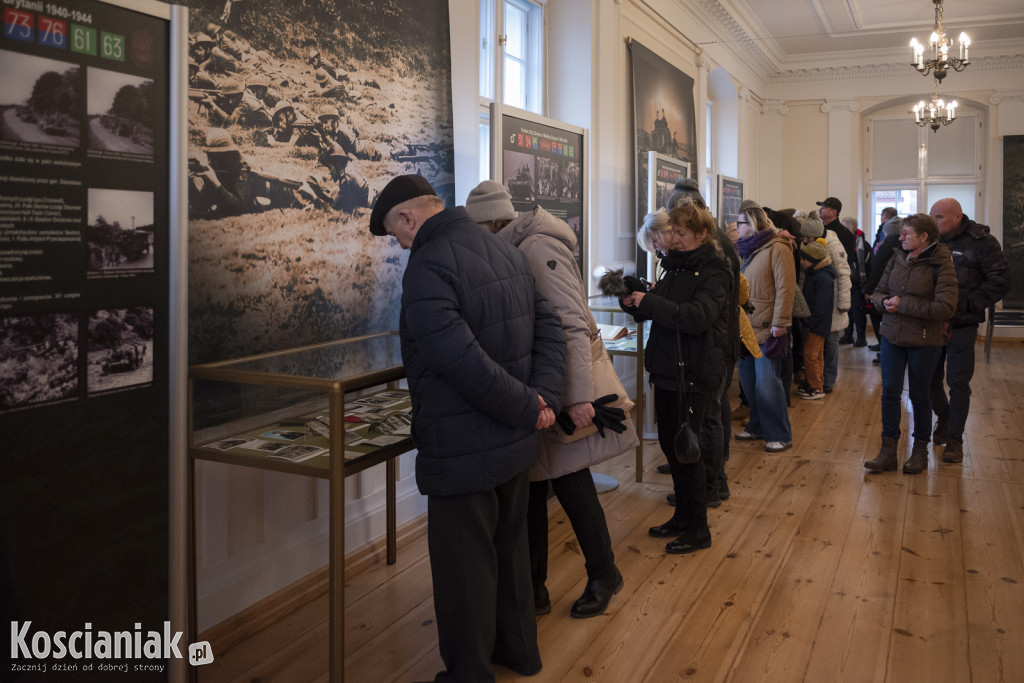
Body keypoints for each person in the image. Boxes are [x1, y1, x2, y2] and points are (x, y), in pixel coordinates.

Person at [370, 174, 566, 681]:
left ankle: (469, 674)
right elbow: (550, 327)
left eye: (396, 231)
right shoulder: (501, 248)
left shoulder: (428, 264)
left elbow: (457, 360)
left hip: (463, 445)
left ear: (409, 216)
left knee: (463, 571)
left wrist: (530, 404)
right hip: (514, 442)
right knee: (510, 552)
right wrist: (543, 399)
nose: (399, 242)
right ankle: (520, 652)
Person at [464, 180, 638, 619]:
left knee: (571, 484)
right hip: (538, 390)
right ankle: (533, 587)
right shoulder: (518, 245)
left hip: (560, 391)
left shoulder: (537, 247)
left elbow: (570, 324)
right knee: (535, 488)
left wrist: (578, 397)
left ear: (488, 223)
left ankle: (604, 573)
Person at [623, 201, 730, 553]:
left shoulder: (714, 271)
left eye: (681, 233)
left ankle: (698, 527)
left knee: (687, 449)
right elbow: (664, 308)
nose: (674, 238)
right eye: (674, 232)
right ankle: (683, 516)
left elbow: (697, 317)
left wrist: (651, 303)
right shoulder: (677, 267)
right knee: (671, 446)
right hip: (670, 368)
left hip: (694, 372)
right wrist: (636, 301)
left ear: (701, 234)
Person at [665, 178, 739, 506]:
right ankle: (707, 479)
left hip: (714, 344)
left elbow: (705, 309)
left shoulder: (714, 250)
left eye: (678, 229)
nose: (673, 236)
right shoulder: (712, 243)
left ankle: (713, 482)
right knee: (710, 413)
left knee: (709, 415)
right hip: (715, 341)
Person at [865, 213, 957, 474]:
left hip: (925, 340)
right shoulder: (896, 257)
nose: (900, 237)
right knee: (890, 393)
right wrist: (884, 302)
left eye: (906, 233)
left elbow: (946, 307)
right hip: (892, 337)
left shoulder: (942, 262)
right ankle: (888, 452)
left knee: (920, 395)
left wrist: (902, 304)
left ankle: (919, 452)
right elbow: (878, 291)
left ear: (924, 237)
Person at [928, 198, 1011, 463]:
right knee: (928, 379)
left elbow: (1000, 281)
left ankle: (955, 440)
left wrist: (965, 305)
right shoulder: (930, 240)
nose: (934, 221)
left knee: (958, 383)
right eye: (932, 216)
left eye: (939, 217)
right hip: (931, 322)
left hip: (962, 324)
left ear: (957, 217)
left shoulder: (982, 242)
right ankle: (946, 417)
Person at [734, 205, 796, 452]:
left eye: (740, 223)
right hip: (746, 327)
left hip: (768, 327)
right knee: (749, 381)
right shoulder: (750, 250)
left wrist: (780, 323)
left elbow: (785, 288)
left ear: (753, 224)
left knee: (767, 383)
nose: (737, 228)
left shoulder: (777, 248)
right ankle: (757, 425)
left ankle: (780, 433)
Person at [800, 212, 850, 393]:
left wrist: (844, 303)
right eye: (803, 236)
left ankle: (826, 381)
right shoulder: (807, 245)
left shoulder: (834, 246)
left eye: (808, 237)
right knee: (817, 349)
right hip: (816, 300)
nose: (805, 240)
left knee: (831, 343)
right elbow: (802, 275)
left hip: (831, 300)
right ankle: (818, 381)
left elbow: (844, 274)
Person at [796, 239, 835, 400]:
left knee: (810, 354)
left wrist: (810, 321)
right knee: (816, 355)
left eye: (805, 259)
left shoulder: (822, 278)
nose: (801, 261)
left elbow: (820, 305)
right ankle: (817, 383)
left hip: (817, 324)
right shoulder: (817, 274)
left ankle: (816, 387)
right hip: (818, 323)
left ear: (814, 261)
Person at [864, 215, 903, 364]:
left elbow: (877, 269)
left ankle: (884, 351)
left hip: (882, 290)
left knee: (878, 319)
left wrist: (869, 290)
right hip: (896, 290)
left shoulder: (886, 246)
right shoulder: (903, 245)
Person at [841, 216, 869, 347]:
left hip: (858, 284)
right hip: (847, 281)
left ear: (851, 229)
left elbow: (867, 266)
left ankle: (861, 338)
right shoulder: (845, 242)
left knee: (857, 312)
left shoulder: (863, 244)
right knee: (847, 311)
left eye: (844, 227)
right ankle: (847, 336)